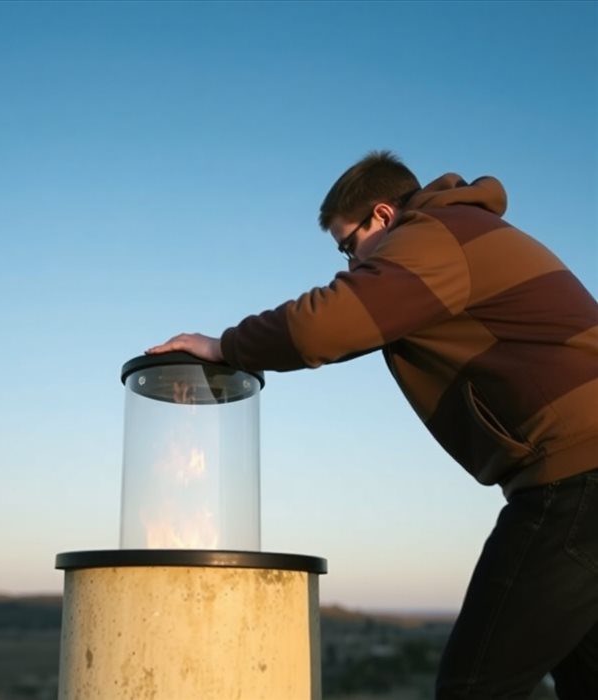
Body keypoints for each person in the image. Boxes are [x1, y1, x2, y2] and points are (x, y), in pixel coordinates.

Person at [146, 150, 598, 699]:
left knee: (476, 685)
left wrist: (224, 345)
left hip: (577, 476)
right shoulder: (465, 230)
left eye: (346, 245)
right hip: (581, 470)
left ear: (383, 217)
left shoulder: (435, 233)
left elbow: (326, 325)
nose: (350, 265)